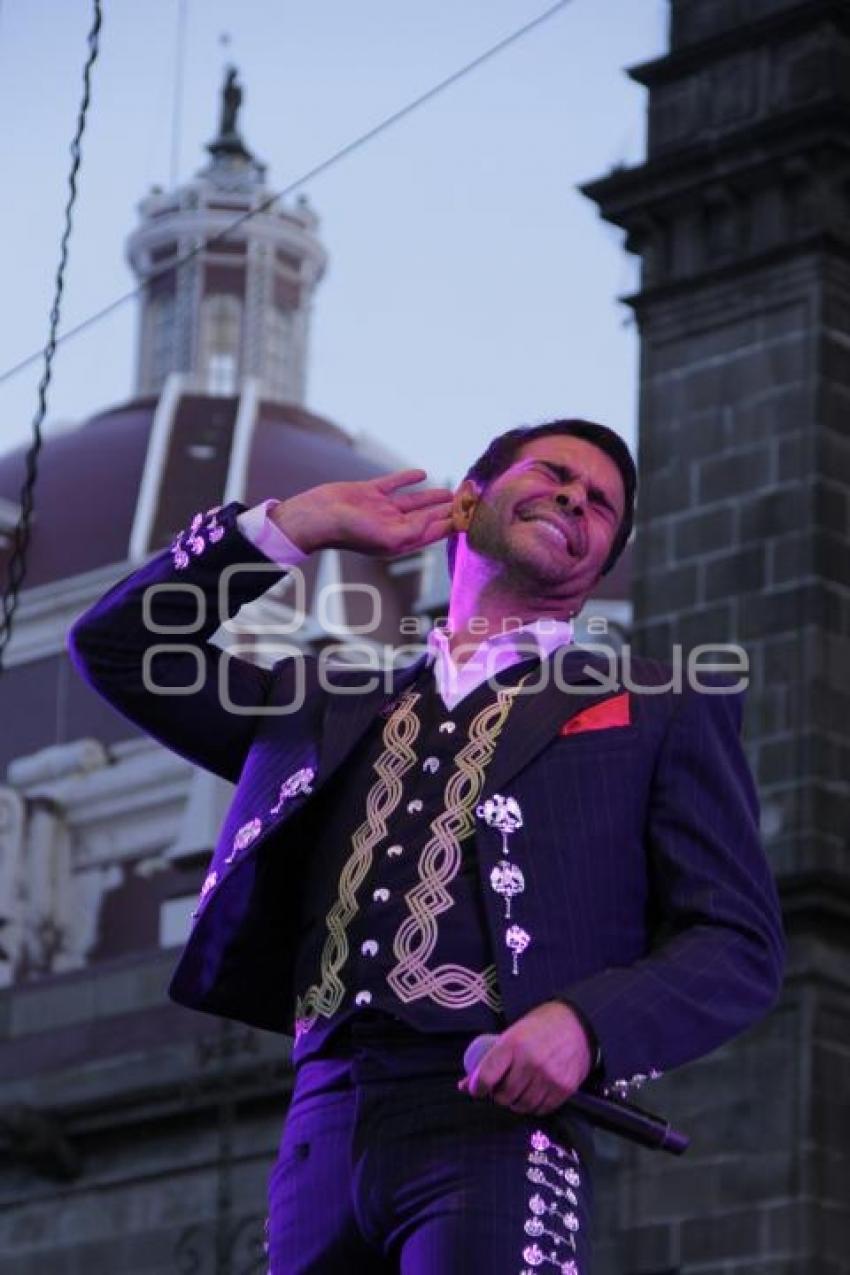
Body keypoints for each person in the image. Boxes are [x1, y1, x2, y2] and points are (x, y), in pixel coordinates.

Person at [67, 418, 786, 1274]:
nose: (575, 498)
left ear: (593, 572)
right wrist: (297, 524)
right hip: (322, 1123)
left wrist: (585, 1027)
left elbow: (739, 942)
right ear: (469, 500)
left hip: (497, 1124)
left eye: (601, 504)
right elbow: (119, 647)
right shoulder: (324, 701)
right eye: (554, 472)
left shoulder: (658, 704)